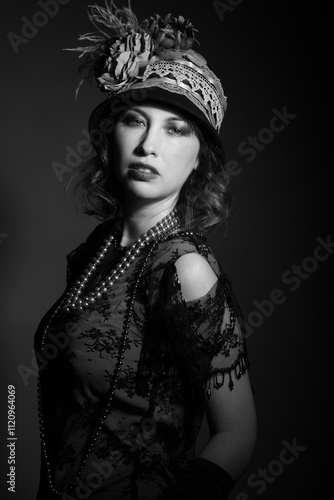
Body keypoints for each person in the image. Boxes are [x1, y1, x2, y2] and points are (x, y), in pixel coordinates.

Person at [34, 2, 257, 499]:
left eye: (176, 129)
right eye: (135, 121)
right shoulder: (97, 250)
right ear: (110, 137)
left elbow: (238, 435)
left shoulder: (185, 268)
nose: (149, 145)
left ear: (200, 160)